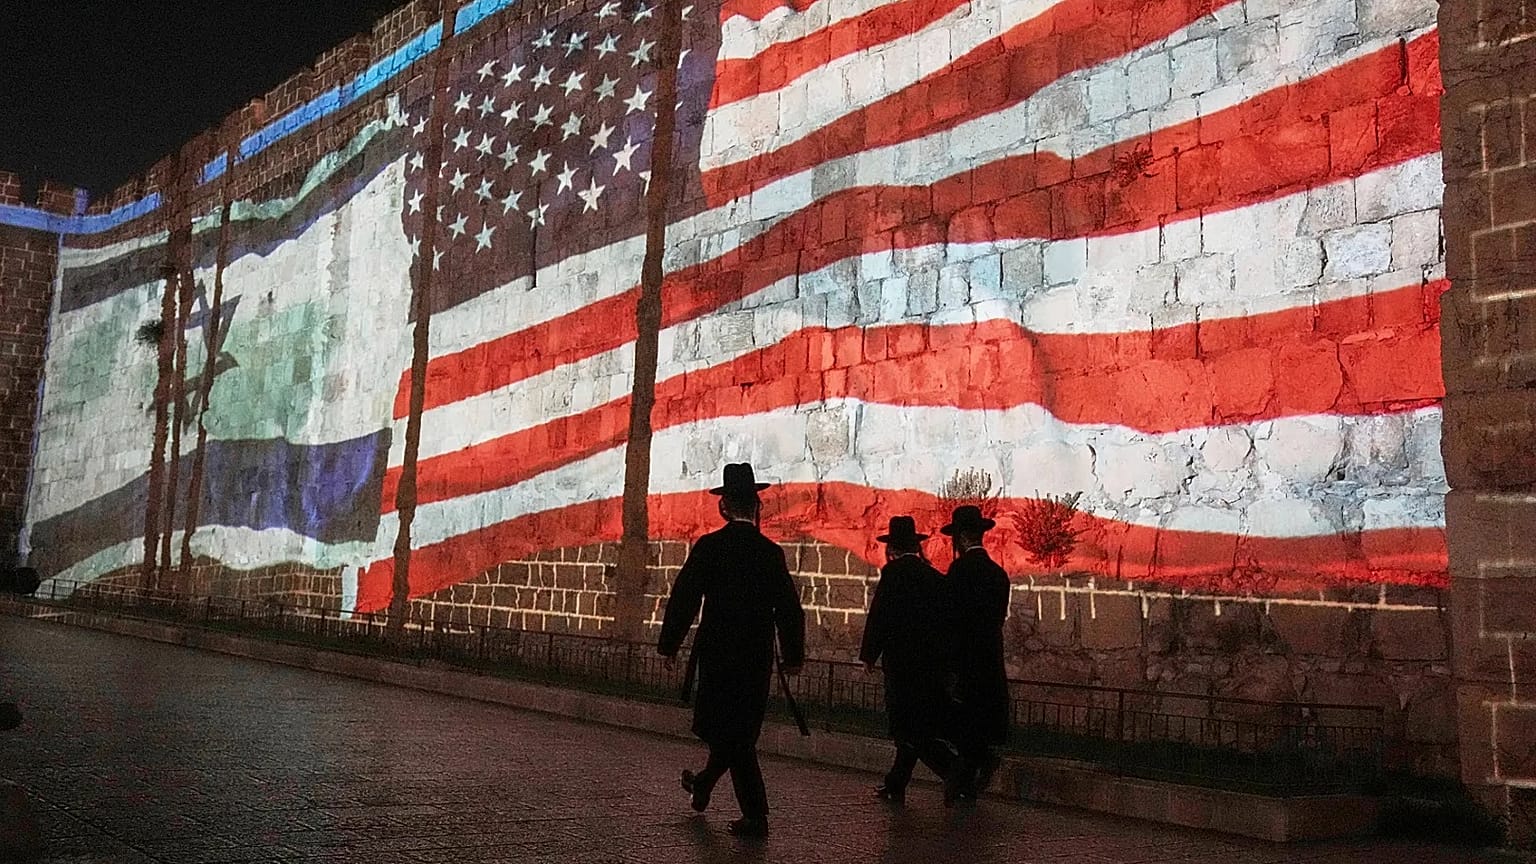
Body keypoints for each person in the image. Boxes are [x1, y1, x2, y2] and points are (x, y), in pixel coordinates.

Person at [657, 463, 806, 838]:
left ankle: (755, 816)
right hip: (755, 659)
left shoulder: (710, 548)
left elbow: (685, 598)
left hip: (718, 655)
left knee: (728, 731)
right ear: (756, 508)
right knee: (739, 732)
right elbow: (790, 609)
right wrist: (792, 656)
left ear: (723, 507)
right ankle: (705, 784)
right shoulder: (770, 554)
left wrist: (669, 644)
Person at [859, 515, 961, 805]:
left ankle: (952, 769)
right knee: (918, 724)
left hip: (901, 665)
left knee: (907, 728)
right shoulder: (934, 577)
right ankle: (895, 784)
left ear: (891, 548)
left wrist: (869, 654)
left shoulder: (893, 575)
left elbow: (880, 616)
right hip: (930, 665)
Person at [942, 504, 1011, 800]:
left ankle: (965, 779)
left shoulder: (959, 572)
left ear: (960, 538)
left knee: (961, 722)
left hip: (964, 660)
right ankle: (967, 782)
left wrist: (948, 661)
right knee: (980, 720)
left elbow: (949, 619)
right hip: (989, 657)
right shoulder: (998, 574)